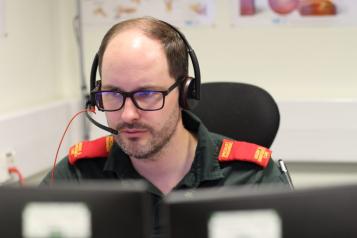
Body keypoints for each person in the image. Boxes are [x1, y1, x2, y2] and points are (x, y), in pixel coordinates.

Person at [41, 16, 289, 237]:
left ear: (184, 93)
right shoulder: (77, 177)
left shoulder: (253, 178)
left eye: (147, 93)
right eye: (113, 93)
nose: (128, 115)